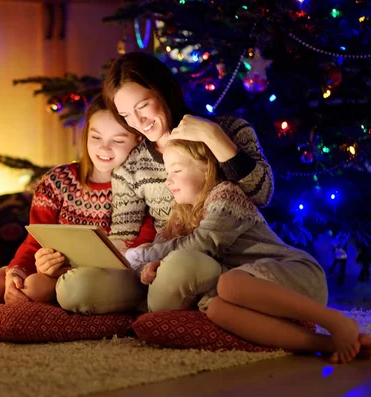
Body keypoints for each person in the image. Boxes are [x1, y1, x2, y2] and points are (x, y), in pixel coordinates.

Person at [57, 52, 273, 313]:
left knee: (178, 270)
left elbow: (263, 193)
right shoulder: (132, 164)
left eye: (143, 106)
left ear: (163, 91)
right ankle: (160, 306)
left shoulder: (231, 130)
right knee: (75, 289)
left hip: (218, 264)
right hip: (158, 265)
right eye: (126, 115)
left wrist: (213, 136)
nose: (138, 123)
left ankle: (164, 307)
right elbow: (124, 237)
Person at [124, 139, 370, 364]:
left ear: (207, 169)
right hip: (256, 294)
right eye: (167, 173)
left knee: (228, 285)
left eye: (176, 171)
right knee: (217, 309)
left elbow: (203, 243)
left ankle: (335, 321)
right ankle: (328, 345)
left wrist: (145, 255)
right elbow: (157, 250)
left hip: (295, 274)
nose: (168, 180)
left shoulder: (225, 195)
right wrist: (147, 268)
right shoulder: (179, 216)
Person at [0, 95, 153, 306]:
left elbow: (140, 249)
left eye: (118, 140)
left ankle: (40, 305)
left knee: (33, 288)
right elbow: (34, 240)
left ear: (137, 140)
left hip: (99, 276)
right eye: (96, 138)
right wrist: (16, 272)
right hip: (47, 266)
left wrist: (66, 270)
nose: (104, 149)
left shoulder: (140, 187)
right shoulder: (58, 180)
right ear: (86, 135)